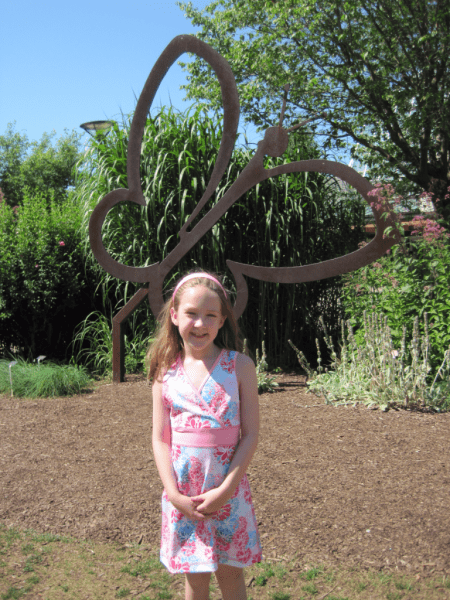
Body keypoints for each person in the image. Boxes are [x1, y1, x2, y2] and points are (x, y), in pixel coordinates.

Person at [147, 270, 262, 600]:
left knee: (230, 577)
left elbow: (250, 434)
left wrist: (227, 490)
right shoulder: (164, 372)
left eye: (210, 315)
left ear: (223, 319)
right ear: (174, 315)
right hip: (184, 498)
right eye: (191, 314)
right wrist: (174, 494)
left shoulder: (239, 367)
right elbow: (160, 438)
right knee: (195, 580)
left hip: (228, 492)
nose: (200, 324)